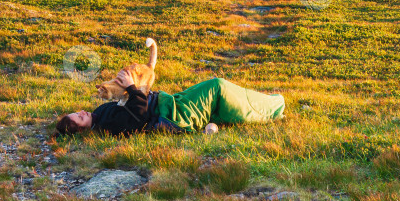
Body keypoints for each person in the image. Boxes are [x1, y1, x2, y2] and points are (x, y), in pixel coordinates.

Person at [53, 70, 285, 137]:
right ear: (83, 129)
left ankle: (267, 102)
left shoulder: (99, 113)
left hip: (169, 101)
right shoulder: (109, 124)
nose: (82, 111)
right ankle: (274, 108)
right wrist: (132, 87)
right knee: (217, 86)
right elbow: (139, 112)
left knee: (213, 89)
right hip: (175, 113)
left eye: (78, 112)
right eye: (80, 117)